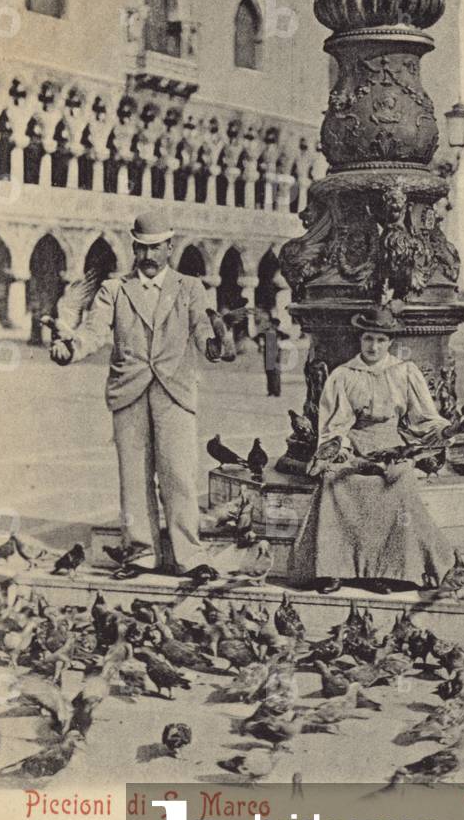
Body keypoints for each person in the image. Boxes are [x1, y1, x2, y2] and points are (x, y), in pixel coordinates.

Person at [49, 210, 217, 577]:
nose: (149, 257)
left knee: (179, 475)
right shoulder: (114, 289)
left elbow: (203, 328)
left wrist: (215, 344)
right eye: (142, 249)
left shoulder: (189, 288)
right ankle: (141, 553)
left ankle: (189, 556)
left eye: (156, 249)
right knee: (134, 478)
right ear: (133, 248)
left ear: (170, 247)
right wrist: (70, 350)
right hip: (129, 391)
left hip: (175, 392)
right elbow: (93, 333)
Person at [287, 304, 459, 595]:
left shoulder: (404, 372)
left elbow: (423, 418)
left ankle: (385, 571)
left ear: (390, 342)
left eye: (380, 340)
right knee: (335, 480)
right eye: (368, 338)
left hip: (391, 445)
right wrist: (339, 450)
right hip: (354, 447)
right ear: (360, 339)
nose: (374, 346)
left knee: (398, 481)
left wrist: (447, 431)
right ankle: (334, 569)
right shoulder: (344, 375)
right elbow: (335, 424)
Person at [257, 317, 289, 397]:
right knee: (269, 372)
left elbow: (287, 337)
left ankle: (276, 391)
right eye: (273, 324)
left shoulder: (278, 333)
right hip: (268, 353)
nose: (274, 326)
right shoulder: (266, 332)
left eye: (276, 325)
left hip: (276, 354)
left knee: (276, 372)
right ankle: (271, 390)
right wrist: (260, 345)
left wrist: (280, 342)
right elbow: (257, 338)